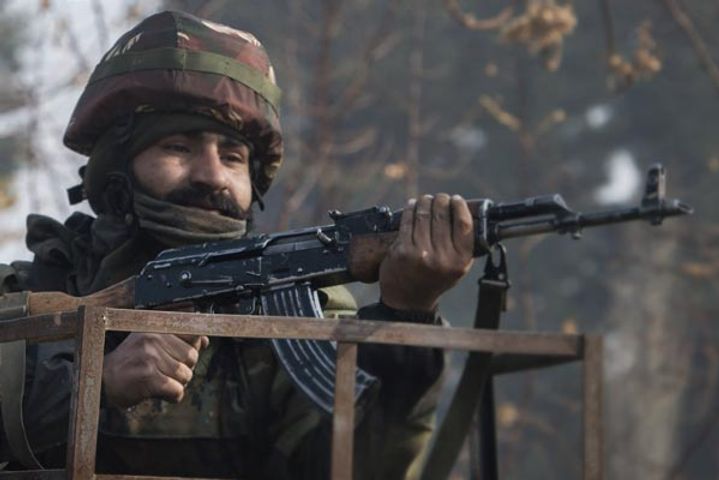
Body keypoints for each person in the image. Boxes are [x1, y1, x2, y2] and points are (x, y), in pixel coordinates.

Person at [0, 11, 474, 479]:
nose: (212, 176)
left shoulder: (298, 308)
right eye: (178, 148)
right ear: (115, 170)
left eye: (232, 157)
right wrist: (94, 384)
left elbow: (351, 469)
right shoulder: (29, 293)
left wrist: (407, 314)